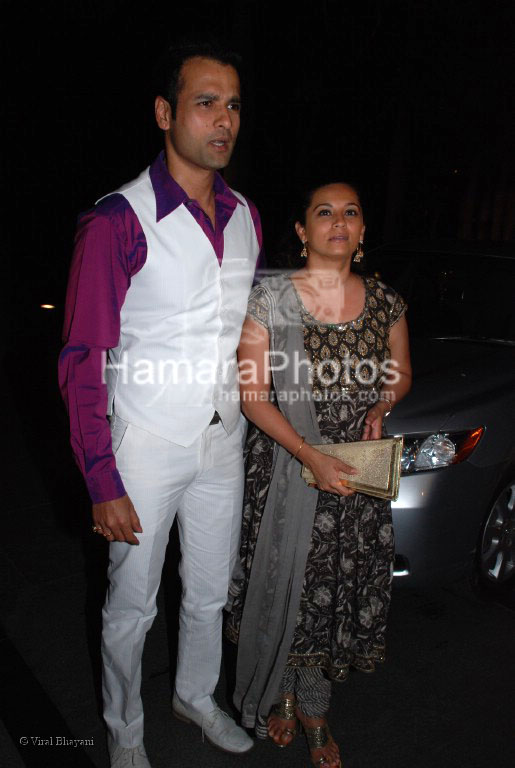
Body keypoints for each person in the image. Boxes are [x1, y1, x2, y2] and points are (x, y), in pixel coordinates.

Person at [59, 41, 262, 768]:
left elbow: (239, 330)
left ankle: (196, 695)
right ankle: (125, 733)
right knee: (131, 607)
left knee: (210, 590)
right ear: (164, 113)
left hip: (222, 441)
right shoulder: (118, 219)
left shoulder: (244, 215)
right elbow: (80, 359)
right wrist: (101, 477)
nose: (223, 119)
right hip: (144, 443)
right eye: (206, 102)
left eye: (233, 104)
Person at [225, 182, 411, 767]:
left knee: (329, 595)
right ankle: (281, 693)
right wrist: (309, 454)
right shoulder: (272, 300)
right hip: (287, 462)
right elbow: (253, 396)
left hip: (353, 475)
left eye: (351, 212)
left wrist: (381, 406)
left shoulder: (386, 303)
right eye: (324, 212)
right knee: (287, 581)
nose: (339, 221)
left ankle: (313, 705)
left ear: (361, 232)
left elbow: (400, 374)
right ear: (303, 231)